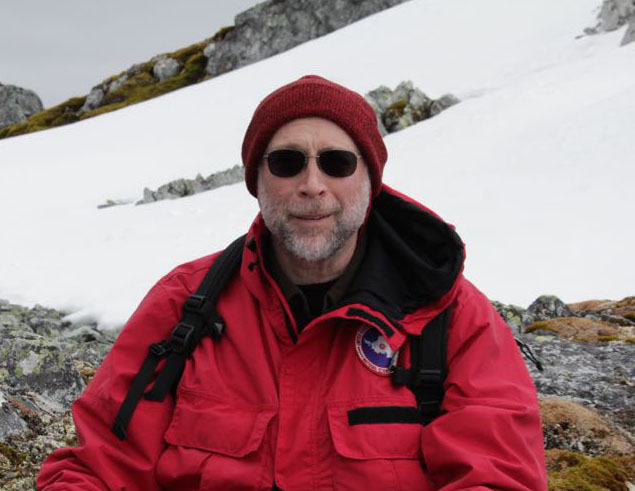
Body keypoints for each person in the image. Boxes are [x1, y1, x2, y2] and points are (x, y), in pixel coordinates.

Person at [38, 75, 547, 490]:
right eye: (286, 162)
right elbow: (95, 471)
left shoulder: (452, 317)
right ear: (256, 183)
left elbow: (498, 479)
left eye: (337, 162)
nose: (311, 184)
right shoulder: (184, 304)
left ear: (370, 182)